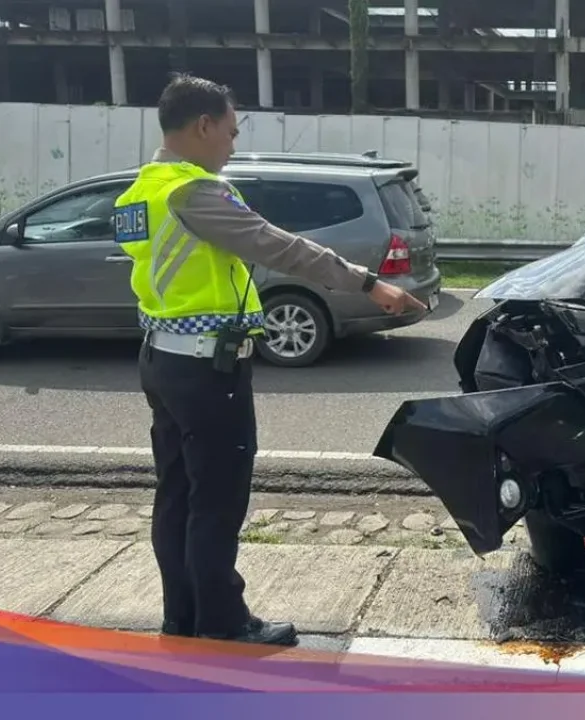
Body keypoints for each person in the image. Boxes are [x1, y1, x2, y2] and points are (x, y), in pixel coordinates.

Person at [113, 73, 427, 646]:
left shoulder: (143, 189)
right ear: (203, 126)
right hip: (208, 371)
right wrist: (366, 283)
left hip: (163, 359)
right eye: (230, 133)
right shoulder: (195, 191)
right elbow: (276, 244)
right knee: (216, 500)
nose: (233, 145)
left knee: (177, 494)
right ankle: (224, 624)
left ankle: (181, 617)